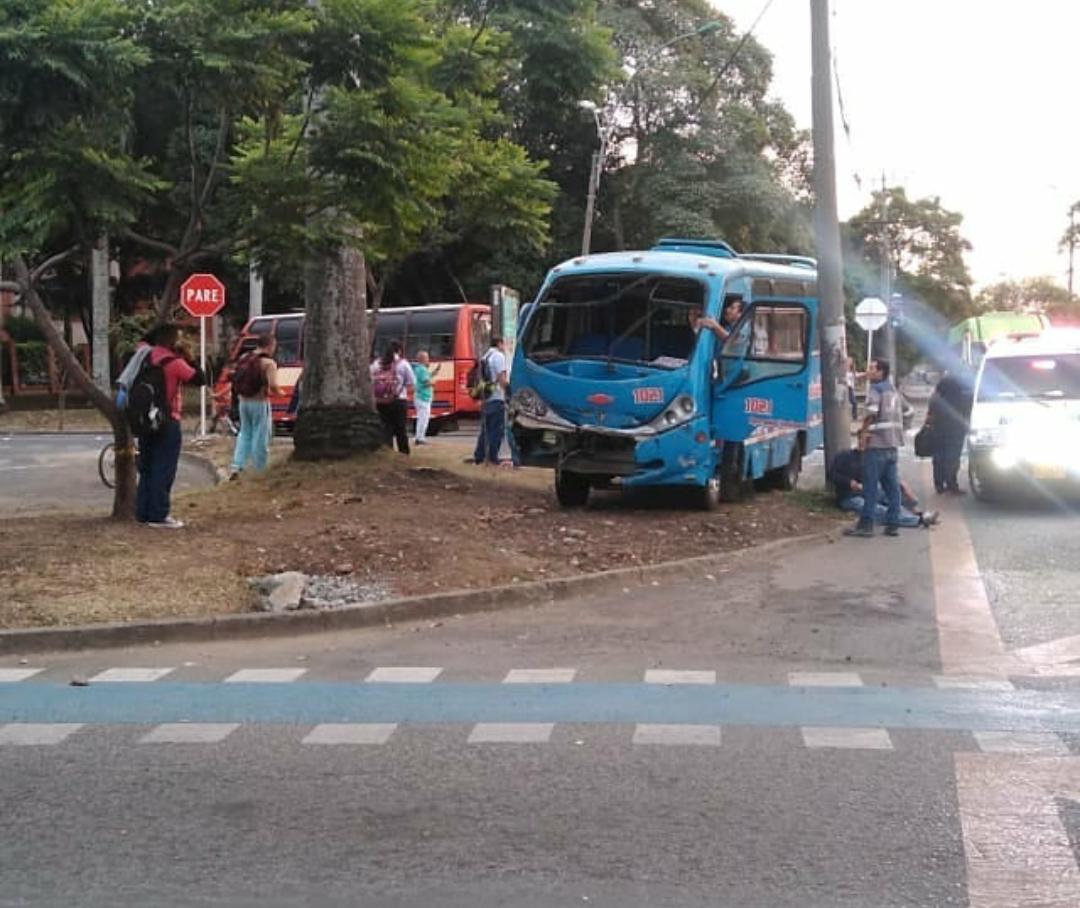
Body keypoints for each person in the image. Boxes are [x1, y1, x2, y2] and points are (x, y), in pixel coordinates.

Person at [136, 323, 206, 529]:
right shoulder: (175, 363)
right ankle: (158, 515)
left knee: (147, 467)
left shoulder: (142, 355)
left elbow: (143, 339)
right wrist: (190, 356)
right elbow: (199, 379)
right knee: (164, 468)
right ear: (173, 341)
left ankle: (143, 511)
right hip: (168, 419)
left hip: (145, 418)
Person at [844, 358, 905, 538]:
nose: (868, 370)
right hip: (892, 446)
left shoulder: (876, 389)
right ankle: (893, 524)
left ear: (881, 372)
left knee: (870, 487)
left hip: (876, 444)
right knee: (892, 486)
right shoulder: (894, 391)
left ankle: (866, 525)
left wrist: (862, 433)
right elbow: (908, 412)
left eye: (872, 368)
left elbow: (871, 412)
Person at [831, 433, 939, 529]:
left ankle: (919, 514)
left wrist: (900, 485)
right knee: (877, 509)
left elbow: (886, 477)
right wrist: (849, 482)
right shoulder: (845, 456)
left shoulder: (871, 457)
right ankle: (917, 520)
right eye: (864, 440)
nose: (865, 444)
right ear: (859, 440)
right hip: (849, 496)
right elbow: (832, 474)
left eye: (869, 441)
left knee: (891, 499)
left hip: (866, 491)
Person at [229, 333, 283, 478]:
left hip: (243, 401)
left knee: (245, 433)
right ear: (270, 345)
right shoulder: (268, 363)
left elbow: (234, 379)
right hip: (259, 402)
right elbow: (273, 385)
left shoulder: (244, 358)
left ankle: (237, 466)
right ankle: (260, 468)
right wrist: (282, 394)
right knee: (260, 435)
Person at [926, 369, 972, 494]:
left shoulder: (943, 383)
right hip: (956, 425)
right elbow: (969, 405)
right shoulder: (965, 385)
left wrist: (930, 415)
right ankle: (951, 483)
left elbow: (934, 399)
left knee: (939, 455)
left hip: (940, 423)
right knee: (952, 456)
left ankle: (939, 484)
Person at [370, 341, 415, 454]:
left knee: (385, 428)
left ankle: (387, 452)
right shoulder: (403, 364)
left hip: (381, 401)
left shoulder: (377, 363)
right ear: (399, 350)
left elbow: (370, 379)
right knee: (400, 429)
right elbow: (412, 382)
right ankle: (403, 454)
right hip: (398, 400)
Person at [472, 336, 509, 466]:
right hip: (496, 396)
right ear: (499, 343)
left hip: (486, 395)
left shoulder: (485, 356)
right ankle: (493, 457)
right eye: (503, 344)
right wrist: (508, 390)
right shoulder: (498, 356)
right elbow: (501, 377)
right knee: (497, 430)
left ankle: (479, 456)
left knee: (485, 429)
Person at [412, 350, 440, 446]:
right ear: (423, 359)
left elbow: (426, 377)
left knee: (421, 418)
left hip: (419, 397)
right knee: (423, 419)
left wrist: (435, 372)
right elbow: (426, 382)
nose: (428, 359)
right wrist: (433, 383)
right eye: (427, 358)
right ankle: (420, 438)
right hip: (423, 397)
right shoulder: (422, 369)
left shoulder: (418, 369)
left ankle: (419, 437)